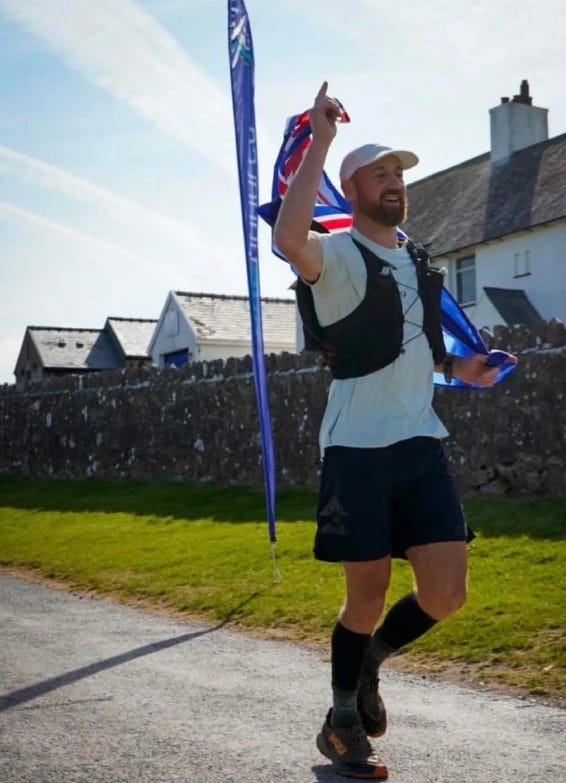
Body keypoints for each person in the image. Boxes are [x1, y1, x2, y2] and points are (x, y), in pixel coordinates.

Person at [273, 82, 517, 780]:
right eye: (380, 174)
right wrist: (319, 137)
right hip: (356, 449)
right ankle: (343, 717)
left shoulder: (416, 260)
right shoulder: (339, 254)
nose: (394, 184)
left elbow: (424, 347)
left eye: (399, 174)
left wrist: (467, 368)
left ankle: (373, 659)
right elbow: (290, 239)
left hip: (420, 442)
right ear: (351, 188)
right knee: (367, 594)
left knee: (447, 593)